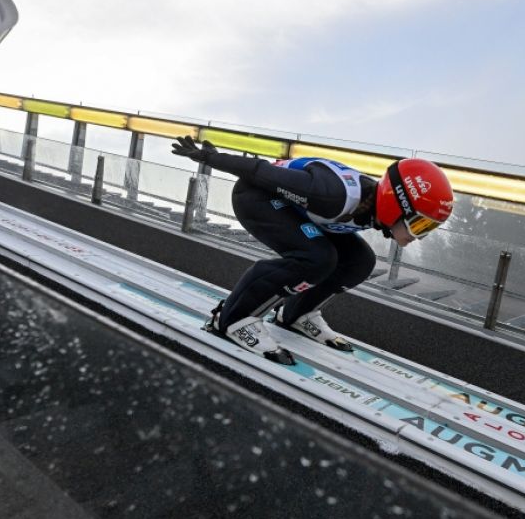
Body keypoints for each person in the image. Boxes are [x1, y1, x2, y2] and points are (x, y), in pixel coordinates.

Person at [172, 136, 454, 364]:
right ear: (398, 205)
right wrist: (210, 157)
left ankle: (296, 314)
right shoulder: (333, 195)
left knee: (359, 261)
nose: (419, 236)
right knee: (317, 258)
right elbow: (261, 172)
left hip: (297, 209)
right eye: (419, 224)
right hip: (256, 197)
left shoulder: (373, 206)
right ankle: (231, 318)